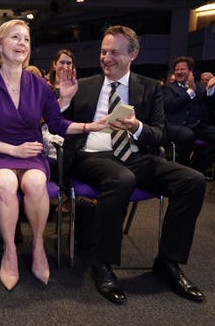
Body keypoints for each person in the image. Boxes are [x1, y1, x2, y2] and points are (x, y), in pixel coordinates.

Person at [60, 25, 206, 305]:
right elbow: (59, 125)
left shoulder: (150, 88)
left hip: (136, 155)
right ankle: (103, 264)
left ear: (133, 54)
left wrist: (137, 127)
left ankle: (168, 262)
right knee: (122, 178)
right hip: (92, 156)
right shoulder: (85, 85)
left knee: (193, 181)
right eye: (103, 52)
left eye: (114, 52)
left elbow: (161, 133)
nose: (106, 58)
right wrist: (64, 100)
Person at [0, 20, 90, 291]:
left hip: (32, 156)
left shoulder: (38, 84)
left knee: (36, 184)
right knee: (6, 184)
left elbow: (57, 123)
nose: (22, 43)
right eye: (15, 37)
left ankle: (37, 247)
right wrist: (13, 150)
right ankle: (10, 250)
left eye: (26, 39)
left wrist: (89, 126)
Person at [162, 56, 215, 172]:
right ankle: (182, 168)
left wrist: (210, 87)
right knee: (187, 136)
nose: (179, 72)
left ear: (190, 71)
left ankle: (197, 168)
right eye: (177, 70)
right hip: (176, 125)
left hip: (197, 125)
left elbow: (208, 102)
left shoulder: (199, 86)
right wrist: (190, 92)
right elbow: (170, 106)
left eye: (182, 69)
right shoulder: (168, 88)